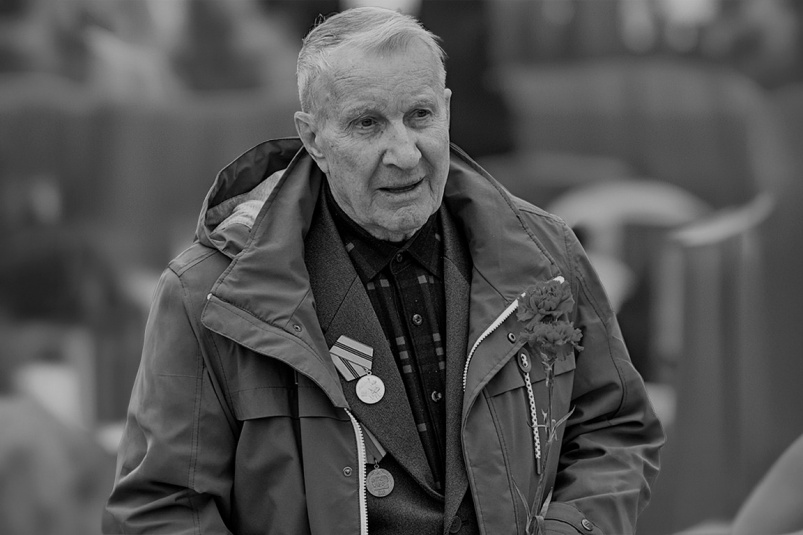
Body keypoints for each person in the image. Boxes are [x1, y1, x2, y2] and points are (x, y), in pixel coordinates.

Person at [103, 7, 663, 535]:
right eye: (367, 124)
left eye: (420, 116)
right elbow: (161, 511)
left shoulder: (544, 253)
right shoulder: (207, 295)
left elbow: (614, 426)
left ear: (447, 110)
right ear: (313, 138)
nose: (405, 153)